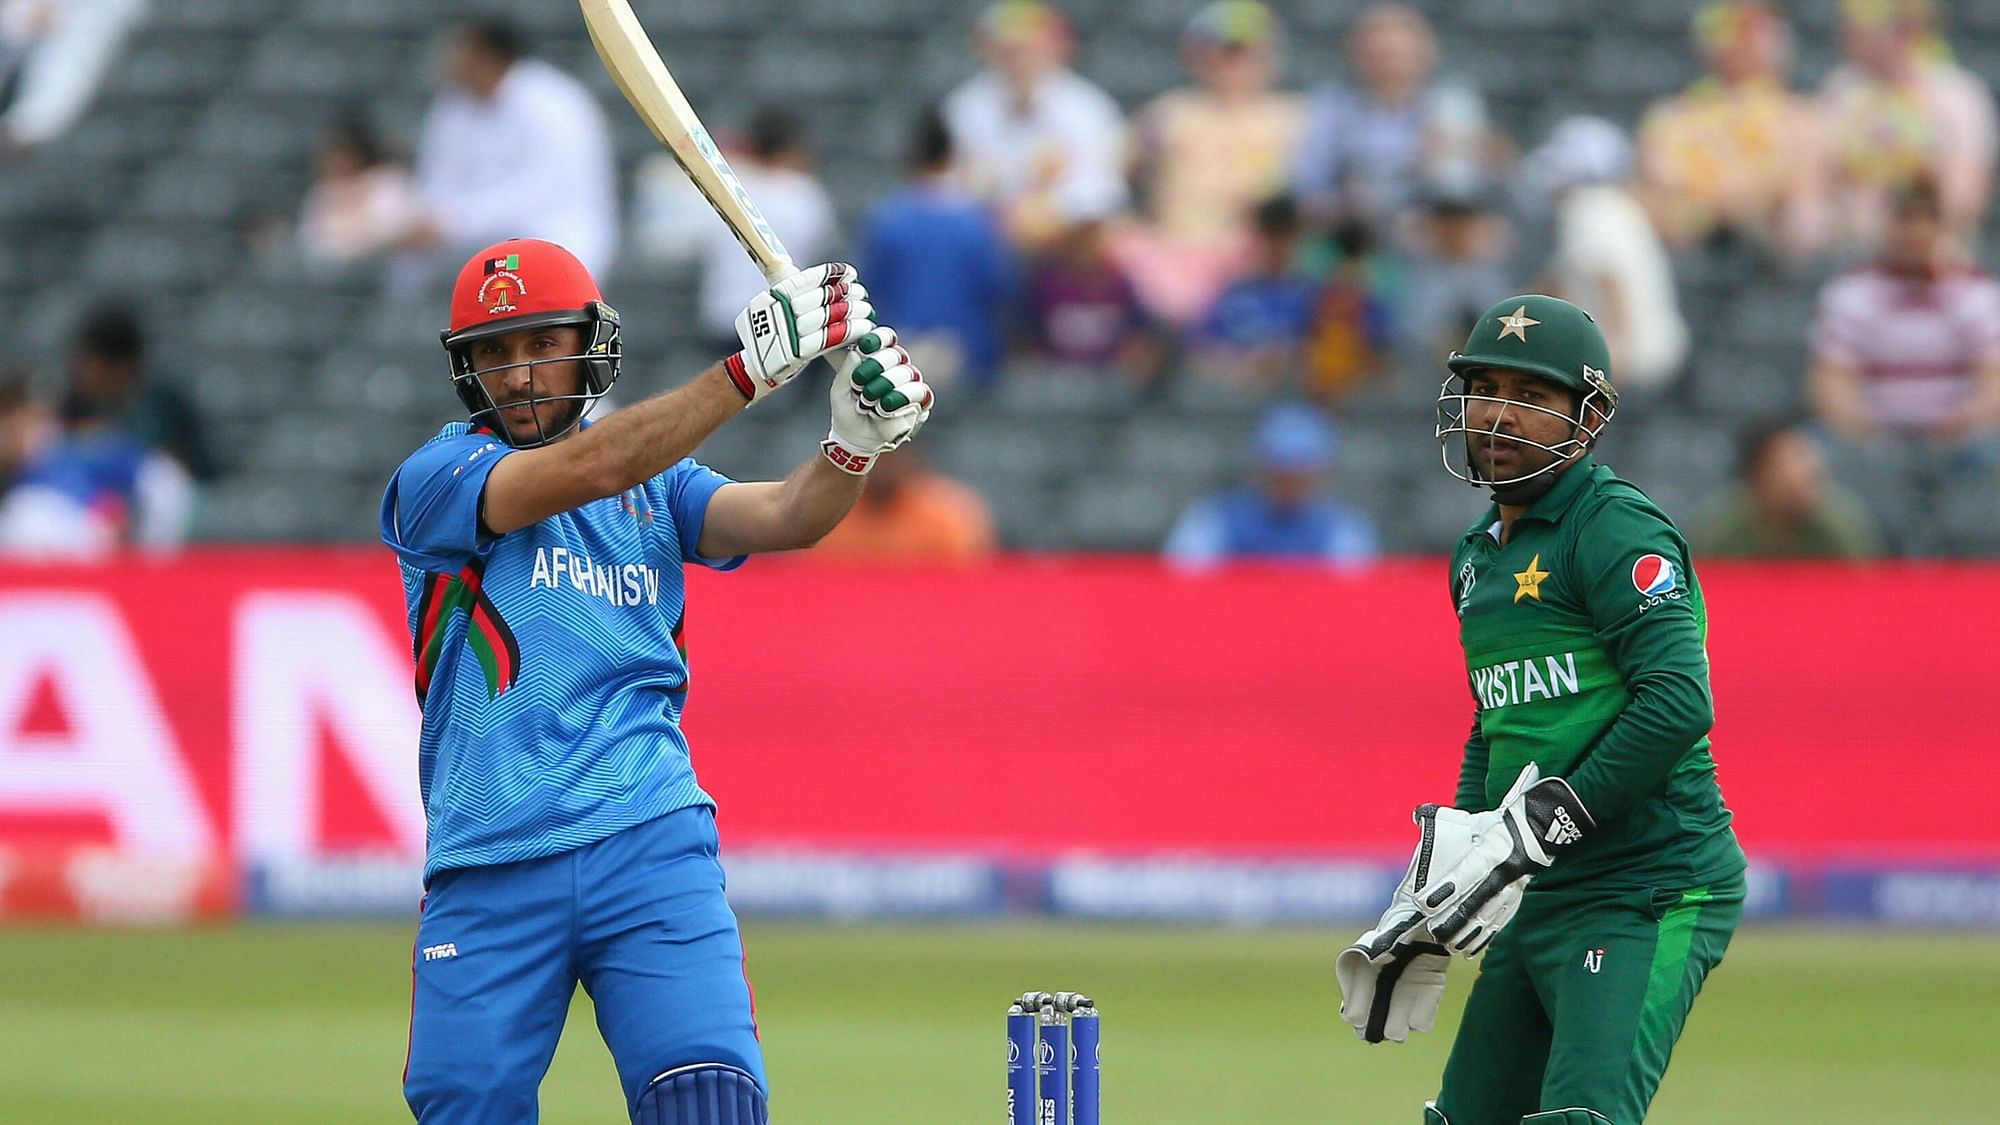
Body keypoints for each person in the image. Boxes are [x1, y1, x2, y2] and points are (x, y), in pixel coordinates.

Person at [382, 239, 932, 1124]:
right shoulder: (437, 479)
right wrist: (747, 372)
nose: (518, 374)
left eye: (540, 344)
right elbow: (592, 469)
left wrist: (850, 447)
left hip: (647, 835)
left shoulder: (660, 486)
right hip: (490, 857)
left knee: (707, 1100)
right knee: (465, 1106)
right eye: (494, 352)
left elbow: (786, 515)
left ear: (589, 343)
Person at [1335, 295, 1745, 1125]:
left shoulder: (1615, 528)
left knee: (1580, 1120)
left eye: (1532, 394)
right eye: (1484, 385)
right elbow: (1497, 721)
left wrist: (1546, 823)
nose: (1497, 411)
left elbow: (1677, 704)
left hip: (1651, 884)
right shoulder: (1477, 557)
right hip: (1543, 888)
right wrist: (1451, 870)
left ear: (1586, 418)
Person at [1115, 0, 1303, 326]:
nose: (1232, 64)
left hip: (1252, 252)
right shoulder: (1168, 114)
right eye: (1222, 52)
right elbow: (1117, 173)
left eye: (1243, 52)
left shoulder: (1293, 118)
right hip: (1170, 249)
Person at [1807, 176, 2000, 458]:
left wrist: (1965, 421)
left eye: (1923, 220)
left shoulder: (1976, 292)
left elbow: (1993, 379)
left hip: (1961, 442)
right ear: (1886, 225)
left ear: (1941, 227)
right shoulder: (1851, 293)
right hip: (1870, 440)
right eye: (1904, 219)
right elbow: (1830, 381)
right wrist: (1866, 428)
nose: (1913, 232)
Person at [410, 18, 619, 276]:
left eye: (459, 49)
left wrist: (453, 222)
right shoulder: (453, 104)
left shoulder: (552, 104)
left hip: (555, 242)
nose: (449, 58)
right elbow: (437, 183)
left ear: (486, 55)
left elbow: (537, 193)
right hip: (472, 247)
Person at [1636, 1, 1827, 259]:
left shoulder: (1801, 117)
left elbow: (1799, 184)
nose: (1742, 45)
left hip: (1772, 240)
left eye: (1754, 32)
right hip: (1690, 243)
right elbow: (1663, 182)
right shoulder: (1674, 116)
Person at [1288, 3, 1491, 236]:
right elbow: (1307, 192)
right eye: (1375, 54)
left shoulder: (1450, 105)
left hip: (1430, 245)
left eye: (1395, 55)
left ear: (1424, 54)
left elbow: (1463, 191)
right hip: (1352, 240)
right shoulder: (1331, 107)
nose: (1386, 67)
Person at [941, 0, 1127, 252]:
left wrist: (1051, 210)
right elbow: (943, 185)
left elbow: (1105, 189)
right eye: (1008, 50)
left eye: (1028, 48)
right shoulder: (964, 108)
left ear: (1058, 48)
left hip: (1063, 242)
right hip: (979, 239)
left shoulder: (1088, 108)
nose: (1019, 60)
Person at [1524, 117, 1689, 393]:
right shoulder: (1618, 208)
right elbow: (1556, 284)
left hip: (1633, 365)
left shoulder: (1589, 207)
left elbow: (1609, 279)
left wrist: (1614, 358)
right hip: (1651, 360)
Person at [1818, 0, 1996, 251]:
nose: (1847, 33)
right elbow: (1819, 180)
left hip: (1934, 256)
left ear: (1905, 31)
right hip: (1850, 252)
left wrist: (1918, 168)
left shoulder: (1959, 94)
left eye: (1863, 24)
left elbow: (1966, 201)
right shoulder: (1841, 89)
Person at [859, 106, 1015, 390]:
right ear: (951, 157)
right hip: (962, 354)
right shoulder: (975, 222)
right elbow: (996, 290)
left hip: (901, 354)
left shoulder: (888, 220)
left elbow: (871, 289)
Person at [687, 108, 837, 352]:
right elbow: (820, 250)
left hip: (724, 317)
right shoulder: (805, 193)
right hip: (782, 321)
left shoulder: (726, 186)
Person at [1163, 402, 1377, 568]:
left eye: (1300, 472)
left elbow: (1353, 597)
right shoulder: (1214, 518)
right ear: (1261, 467)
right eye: (1280, 472)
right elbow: (1184, 584)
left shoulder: (1342, 529)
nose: (1289, 482)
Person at [60, 300, 218, 482]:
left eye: (92, 365)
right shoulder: (73, 408)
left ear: (122, 366)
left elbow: (203, 472)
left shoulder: (167, 407)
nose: (80, 373)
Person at [1691, 420, 1881, 558]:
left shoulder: (1841, 527)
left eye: (1806, 468)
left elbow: (1863, 590)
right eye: (1782, 469)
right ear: (1756, 476)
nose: (1797, 479)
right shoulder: (1723, 529)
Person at [812, 448, 996, 561]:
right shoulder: (830, 513)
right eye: (874, 460)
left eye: (890, 459)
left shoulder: (948, 513)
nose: (882, 469)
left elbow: (968, 581)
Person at [297, 114, 426, 267]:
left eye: (343, 154)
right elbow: (311, 241)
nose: (336, 162)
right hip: (333, 276)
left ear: (357, 153)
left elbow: (393, 229)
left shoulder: (388, 181)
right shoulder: (321, 191)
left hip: (385, 270)